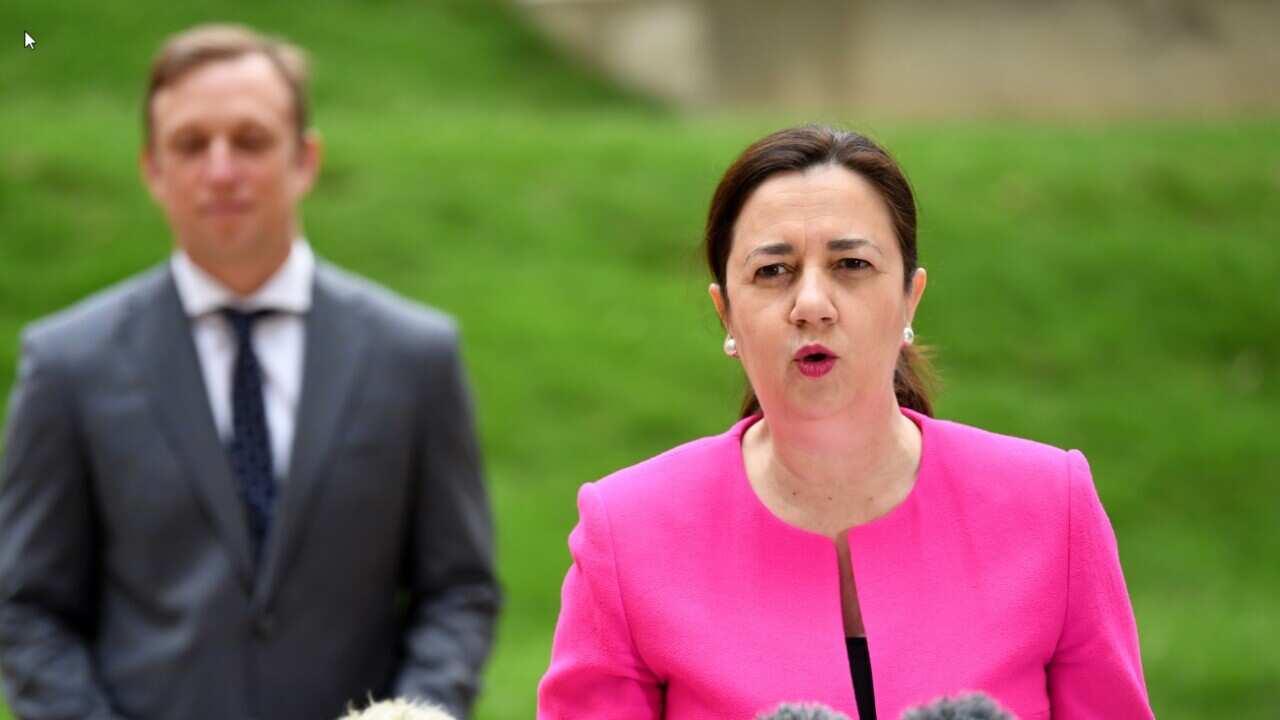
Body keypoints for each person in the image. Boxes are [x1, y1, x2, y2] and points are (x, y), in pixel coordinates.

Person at [537, 126, 1153, 718]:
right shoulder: (627, 532)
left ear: (911, 296)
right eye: (772, 271)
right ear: (726, 313)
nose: (811, 304)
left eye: (851, 265)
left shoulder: (1051, 506)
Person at [0, 24, 499, 720]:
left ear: (305, 159)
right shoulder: (67, 364)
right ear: (152, 168)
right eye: (191, 144)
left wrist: (416, 711)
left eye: (252, 140)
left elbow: (458, 588)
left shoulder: (414, 355)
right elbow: (27, 608)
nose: (222, 169)